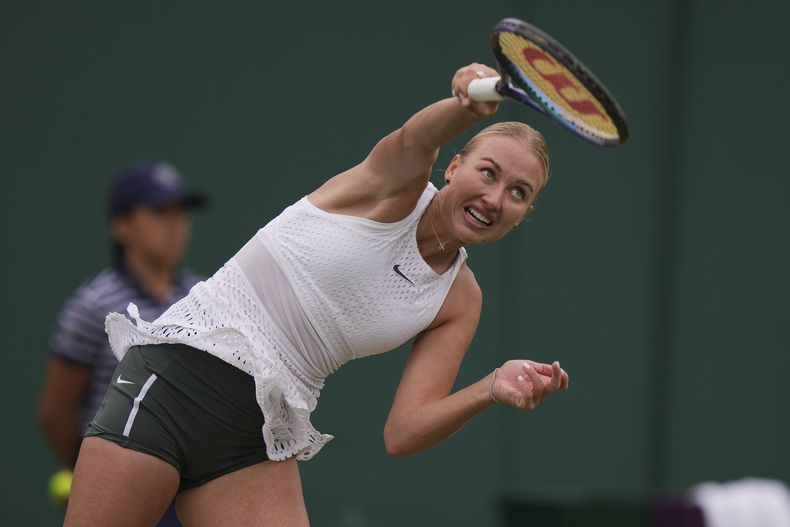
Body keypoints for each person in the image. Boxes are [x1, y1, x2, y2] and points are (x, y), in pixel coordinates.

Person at [64, 64, 570, 527]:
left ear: (525, 214)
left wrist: (491, 387)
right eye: (489, 172)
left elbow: (405, 432)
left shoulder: (460, 299)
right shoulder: (393, 187)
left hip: (255, 436)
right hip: (176, 384)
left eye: (519, 193)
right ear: (454, 165)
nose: (495, 198)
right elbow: (418, 138)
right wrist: (463, 108)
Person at [39, 161, 205, 526]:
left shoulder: (202, 297)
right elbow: (56, 412)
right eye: (160, 212)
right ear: (122, 226)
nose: (176, 224)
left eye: (181, 212)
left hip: (191, 490)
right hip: (124, 488)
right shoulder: (91, 306)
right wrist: (95, 473)